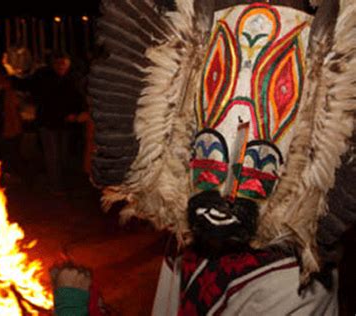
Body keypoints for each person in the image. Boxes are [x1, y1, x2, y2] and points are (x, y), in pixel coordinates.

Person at [88, 0, 355, 314]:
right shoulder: (186, 244)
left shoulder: (292, 290)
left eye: (257, 161)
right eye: (210, 155)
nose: (227, 193)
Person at [32, 53, 87, 194]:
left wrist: (75, 115)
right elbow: (45, 101)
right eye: (58, 63)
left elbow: (78, 99)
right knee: (52, 155)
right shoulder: (45, 79)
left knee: (63, 155)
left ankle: (63, 182)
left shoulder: (73, 80)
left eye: (63, 64)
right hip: (49, 123)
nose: (61, 66)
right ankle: (55, 184)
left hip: (66, 124)